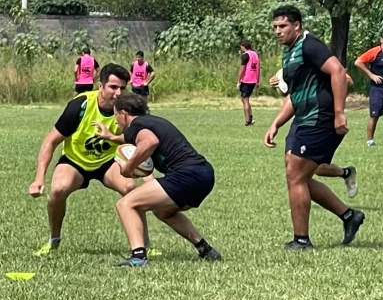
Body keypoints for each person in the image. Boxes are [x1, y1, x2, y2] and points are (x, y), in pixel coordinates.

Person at [29, 64, 157, 257]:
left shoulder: (127, 110)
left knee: (130, 188)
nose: (118, 93)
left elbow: (142, 143)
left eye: (122, 88)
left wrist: (148, 176)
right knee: (58, 189)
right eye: (113, 87)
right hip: (75, 161)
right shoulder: (80, 106)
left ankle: (145, 244)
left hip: (109, 162)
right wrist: (39, 179)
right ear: (100, 86)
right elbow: (50, 141)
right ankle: (53, 241)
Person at [264, 5, 365, 250]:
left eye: (283, 26)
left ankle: (301, 240)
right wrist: (276, 123)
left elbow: (339, 73)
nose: (278, 31)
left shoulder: (310, 45)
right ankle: (349, 216)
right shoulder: (289, 53)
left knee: (296, 175)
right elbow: (295, 95)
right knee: (297, 175)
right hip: (303, 118)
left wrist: (339, 114)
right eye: (275, 27)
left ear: (297, 25)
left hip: (320, 119)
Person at [93, 92, 221, 267]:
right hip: (204, 174)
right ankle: (206, 249)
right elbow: (139, 138)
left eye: (116, 115)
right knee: (163, 212)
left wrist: (128, 169)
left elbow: (149, 142)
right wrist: (111, 137)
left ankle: (138, 257)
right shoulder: (151, 121)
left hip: (185, 175)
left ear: (124, 113)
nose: (115, 120)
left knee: (125, 204)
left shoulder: (136, 126)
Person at [355, 31, 383, 147]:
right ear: (381, 40)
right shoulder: (375, 52)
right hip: (378, 89)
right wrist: (372, 75)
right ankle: (370, 141)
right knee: (374, 115)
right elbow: (358, 62)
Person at [237, 40, 260, 126]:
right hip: (253, 80)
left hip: (246, 80)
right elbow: (258, 69)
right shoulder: (255, 54)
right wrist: (258, 81)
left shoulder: (245, 55)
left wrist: (238, 80)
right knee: (244, 99)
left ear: (243, 47)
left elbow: (242, 69)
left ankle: (248, 120)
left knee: (245, 99)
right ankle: (250, 116)